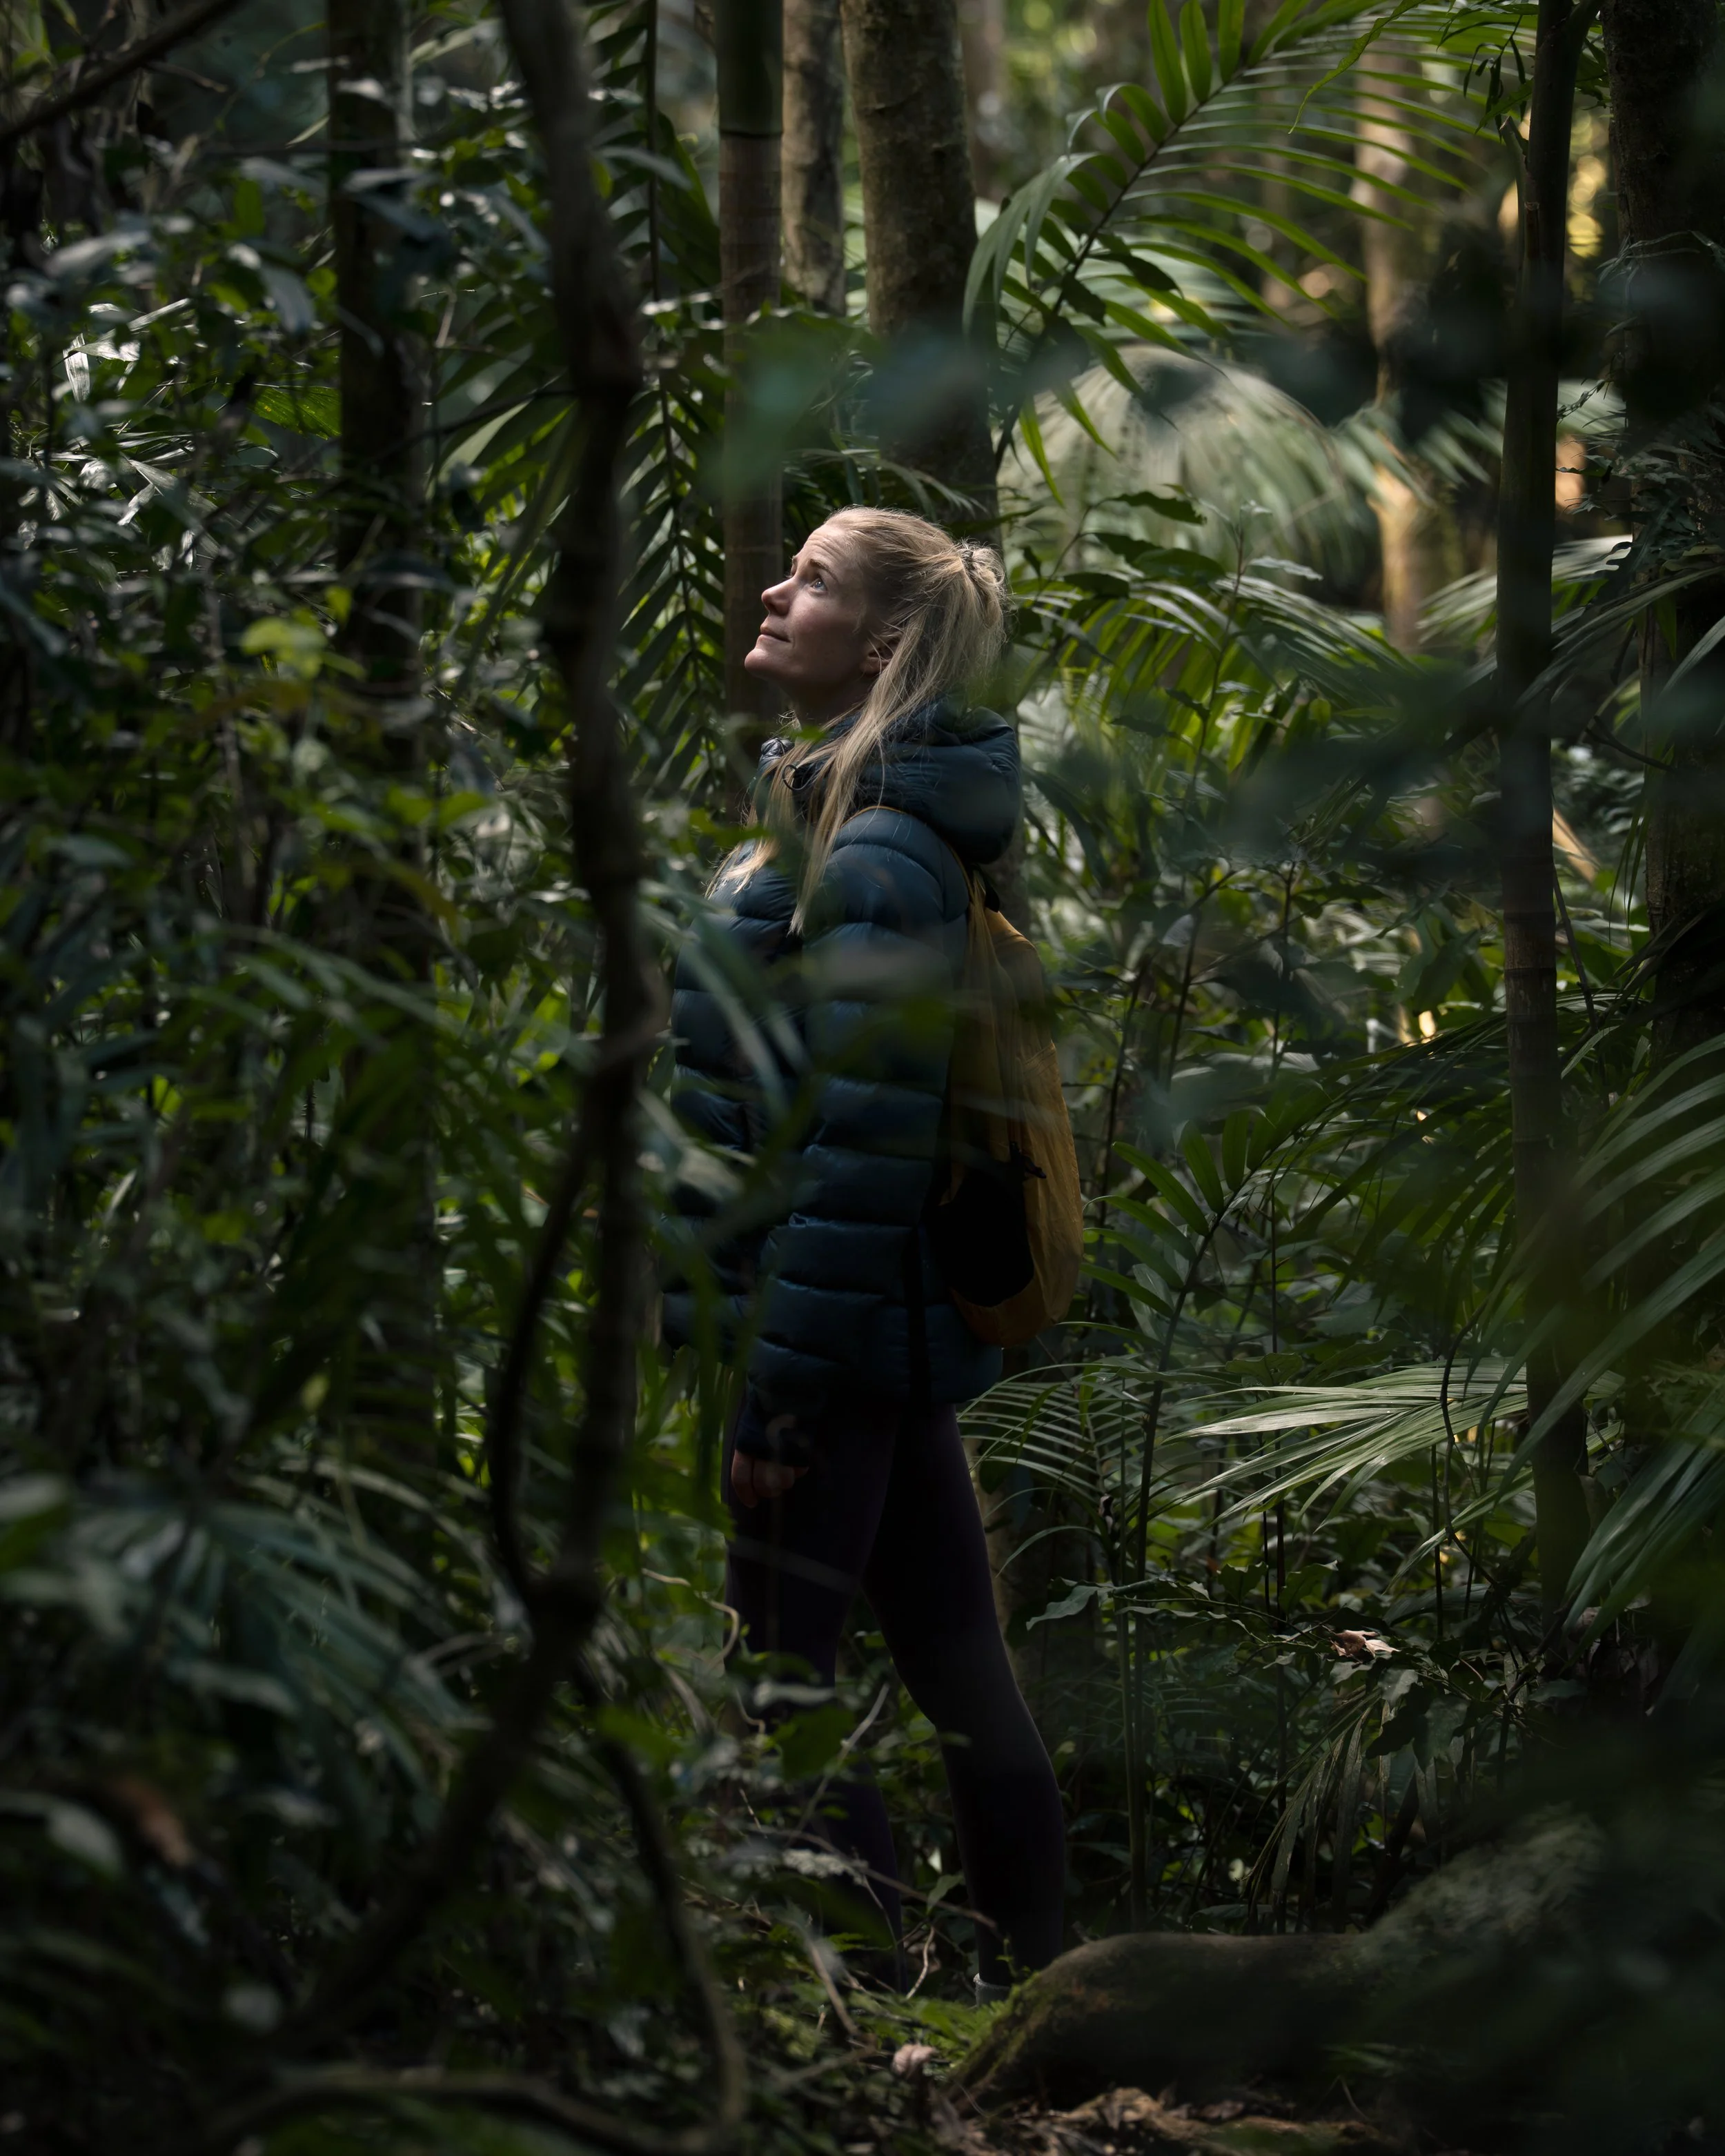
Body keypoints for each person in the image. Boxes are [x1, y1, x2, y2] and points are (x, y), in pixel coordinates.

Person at [661, 506, 1066, 1997]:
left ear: (883, 640)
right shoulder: (835, 809)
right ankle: (1039, 1991)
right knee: (959, 1672)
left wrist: (780, 1399)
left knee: (781, 1686)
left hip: (834, 1340)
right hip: (872, 1339)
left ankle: (876, 2012)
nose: (776, 591)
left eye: (814, 579)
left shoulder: (879, 850)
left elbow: (859, 1154)